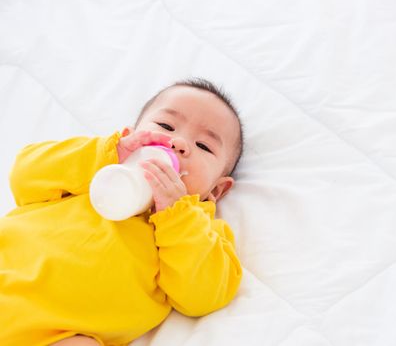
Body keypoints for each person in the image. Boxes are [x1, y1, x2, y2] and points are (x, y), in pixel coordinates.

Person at [0, 78, 244, 345]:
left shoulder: (198, 230)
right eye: (165, 126)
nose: (178, 142)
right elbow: (24, 174)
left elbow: (203, 296)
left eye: (204, 146)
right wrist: (107, 153)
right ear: (130, 136)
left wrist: (177, 215)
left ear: (217, 191)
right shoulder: (92, 170)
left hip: (59, 335)